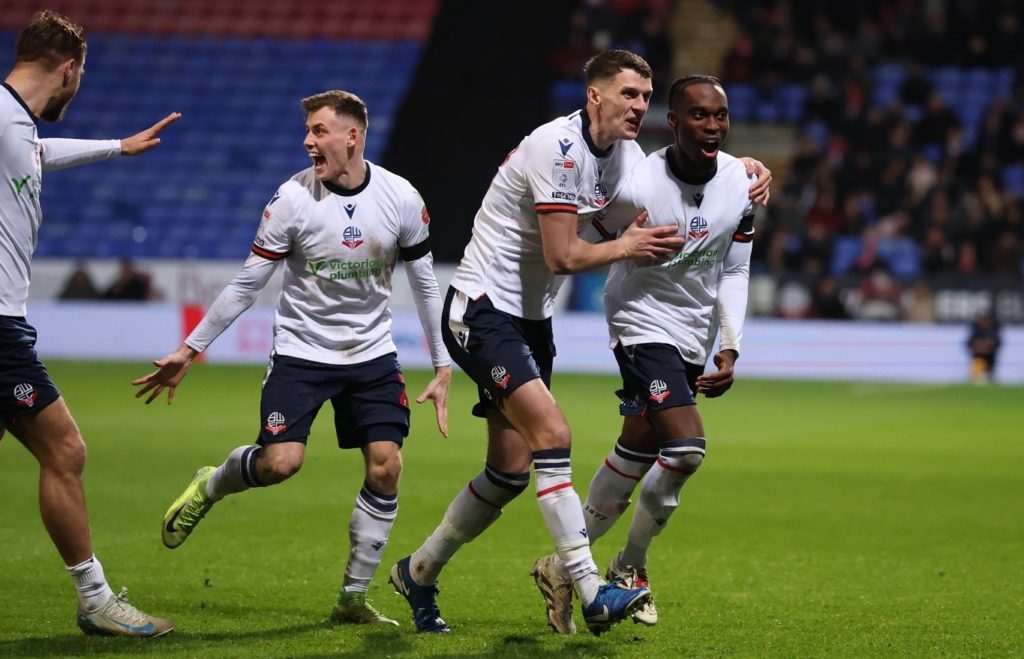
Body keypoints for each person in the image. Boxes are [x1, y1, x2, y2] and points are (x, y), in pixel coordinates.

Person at [386, 51, 771, 636]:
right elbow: (565, 255)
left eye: (645, 96)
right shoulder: (554, 147)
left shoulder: (626, 160)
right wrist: (626, 248)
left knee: (509, 471)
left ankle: (419, 570)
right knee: (554, 435)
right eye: (628, 94)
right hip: (480, 308)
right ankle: (592, 588)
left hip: (531, 321)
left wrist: (738, 167)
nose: (639, 106)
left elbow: (662, 191)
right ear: (594, 96)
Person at [132, 90, 451, 626]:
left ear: (352, 136)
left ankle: (351, 598)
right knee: (281, 464)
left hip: (371, 354)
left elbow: (424, 284)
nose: (307, 140)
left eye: (319, 130)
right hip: (302, 353)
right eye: (307, 130)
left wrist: (442, 364)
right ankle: (213, 482)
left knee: (387, 465)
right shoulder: (291, 201)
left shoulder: (400, 197)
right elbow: (245, 285)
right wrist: (190, 350)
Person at [532, 74, 760, 633]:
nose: (712, 126)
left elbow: (735, 267)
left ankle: (561, 567)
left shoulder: (742, 183)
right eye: (699, 116)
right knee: (685, 449)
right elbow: (583, 237)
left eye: (721, 116)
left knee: (638, 450)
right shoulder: (636, 183)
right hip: (638, 324)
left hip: (692, 335)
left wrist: (729, 343)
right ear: (674, 123)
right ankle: (630, 567)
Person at [0, 10, 179, 637]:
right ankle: (97, 599)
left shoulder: (14, 125)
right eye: (82, 77)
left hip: (7, 322)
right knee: (66, 450)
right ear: (69, 69)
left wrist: (116, 146)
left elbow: (40, 152)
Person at [966, 312, 1001, 384]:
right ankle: (977, 376)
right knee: (978, 363)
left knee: (990, 367)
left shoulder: (993, 330)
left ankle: (989, 376)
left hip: (989, 355)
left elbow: (998, 343)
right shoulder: (976, 330)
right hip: (978, 355)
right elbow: (968, 343)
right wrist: (977, 346)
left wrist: (988, 347)